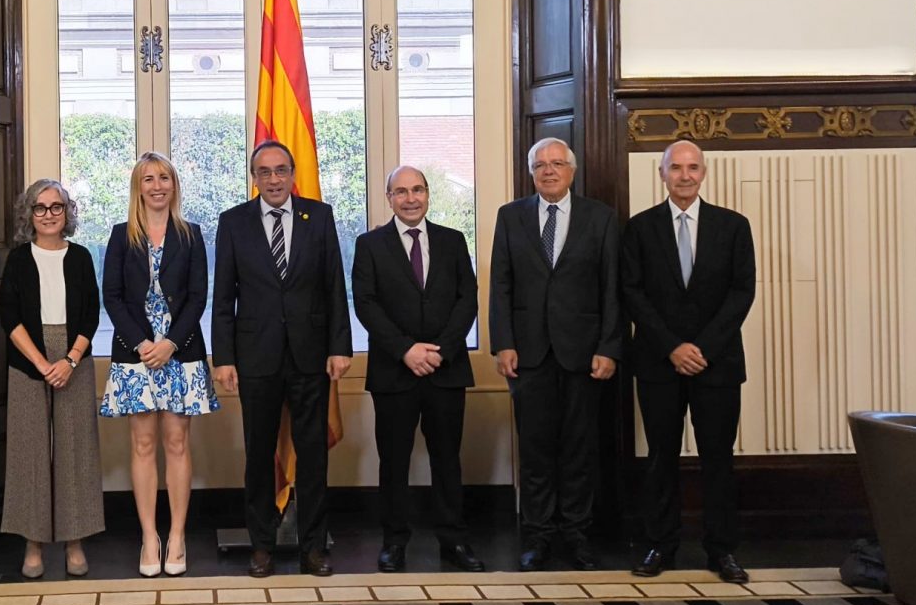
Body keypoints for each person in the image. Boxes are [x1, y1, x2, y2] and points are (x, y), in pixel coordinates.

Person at [212, 140, 352, 578]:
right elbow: (223, 297)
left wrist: (339, 347)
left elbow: (334, 286)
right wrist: (224, 357)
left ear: (293, 174)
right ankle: (262, 546)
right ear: (254, 178)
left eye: (280, 170)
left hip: (311, 356)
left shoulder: (320, 216)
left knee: (313, 458)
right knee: (258, 456)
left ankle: (313, 548)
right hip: (256, 358)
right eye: (264, 172)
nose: (273, 179)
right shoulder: (233, 222)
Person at [621, 140, 757, 584]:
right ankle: (660, 544)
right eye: (675, 168)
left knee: (718, 457)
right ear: (661, 174)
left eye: (692, 168)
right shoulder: (639, 229)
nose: (684, 175)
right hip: (659, 363)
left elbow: (742, 292)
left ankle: (722, 551)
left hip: (716, 364)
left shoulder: (733, 226)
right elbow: (632, 293)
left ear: (704, 173)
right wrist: (672, 347)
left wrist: (702, 348)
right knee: (661, 456)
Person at [489, 137, 621, 573]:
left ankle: (577, 534)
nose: (548, 170)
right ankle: (538, 536)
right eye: (540, 164)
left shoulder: (600, 218)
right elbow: (501, 285)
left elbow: (611, 288)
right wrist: (503, 342)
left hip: (584, 354)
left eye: (557, 163)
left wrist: (609, 346)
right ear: (531, 172)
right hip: (528, 354)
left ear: (572, 170)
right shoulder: (511, 217)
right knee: (537, 450)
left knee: (580, 450)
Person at [351, 165, 484, 573]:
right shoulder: (370, 244)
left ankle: (453, 541)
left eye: (418, 190)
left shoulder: (453, 240)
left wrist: (440, 351)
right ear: (388, 197)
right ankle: (394, 542)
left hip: (446, 370)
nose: (411, 198)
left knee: (448, 459)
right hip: (395, 371)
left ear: (428, 195)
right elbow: (366, 304)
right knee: (394, 461)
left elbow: (467, 299)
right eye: (401, 191)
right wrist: (406, 350)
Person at [100, 152, 217, 578]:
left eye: (164, 177)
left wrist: (169, 343)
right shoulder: (120, 236)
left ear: (174, 185)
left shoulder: (191, 235)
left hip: (180, 354)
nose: (157, 185)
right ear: (138, 187)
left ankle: (179, 536)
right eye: (148, 179)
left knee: (177, 444)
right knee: (143, 446)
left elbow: (198, 297)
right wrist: (144, 344)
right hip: (136, 357)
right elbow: (111, 295)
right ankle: (149, 536)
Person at [0, 179, 104, 578]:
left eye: (56, 207)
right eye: (40, 208)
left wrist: (70, 361)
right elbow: (9, 315)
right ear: (29, 214)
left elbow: (91, 314)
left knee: (75, 451)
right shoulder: (19, 259)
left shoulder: (80, 257)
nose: (48, 215)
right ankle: (33, 544)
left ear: (67, 213)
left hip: (73, 357)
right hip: (28, 358)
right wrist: (42, 363)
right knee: (30, 453)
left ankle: (75, 542)